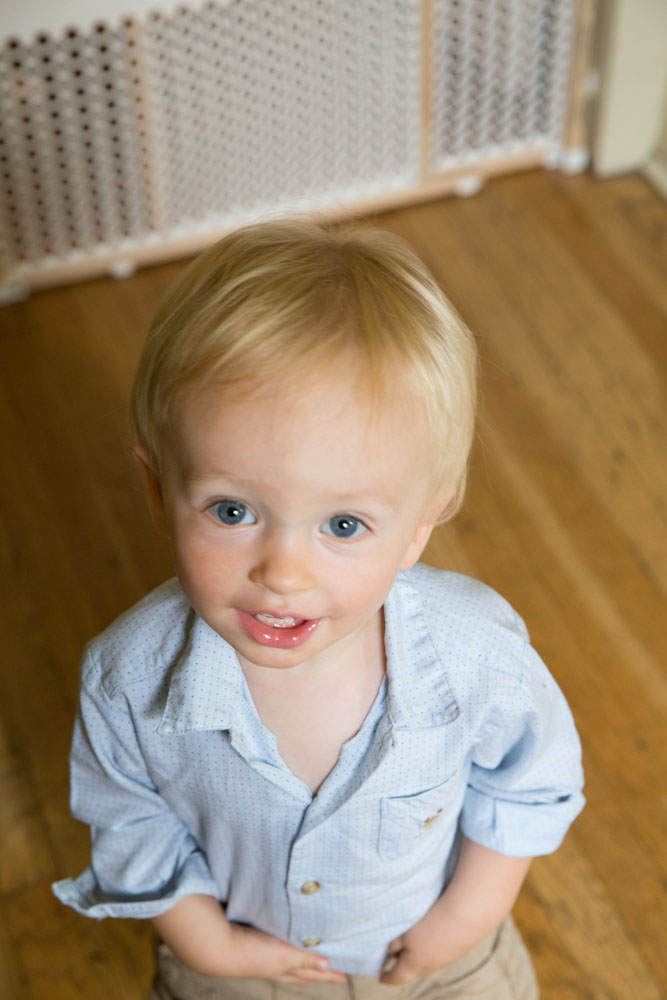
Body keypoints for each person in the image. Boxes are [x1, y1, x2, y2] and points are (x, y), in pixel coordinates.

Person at [53, 219, 584, 1000]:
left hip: (440, 959)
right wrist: (210, 946)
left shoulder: (476, 655)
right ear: (155, 488)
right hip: (236, 963)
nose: (282, 573)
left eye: (343, 525)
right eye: (232, 511)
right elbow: (129, 816)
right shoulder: (127, 677)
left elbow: (528, 782)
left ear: (418, 528)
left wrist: (462, 920)